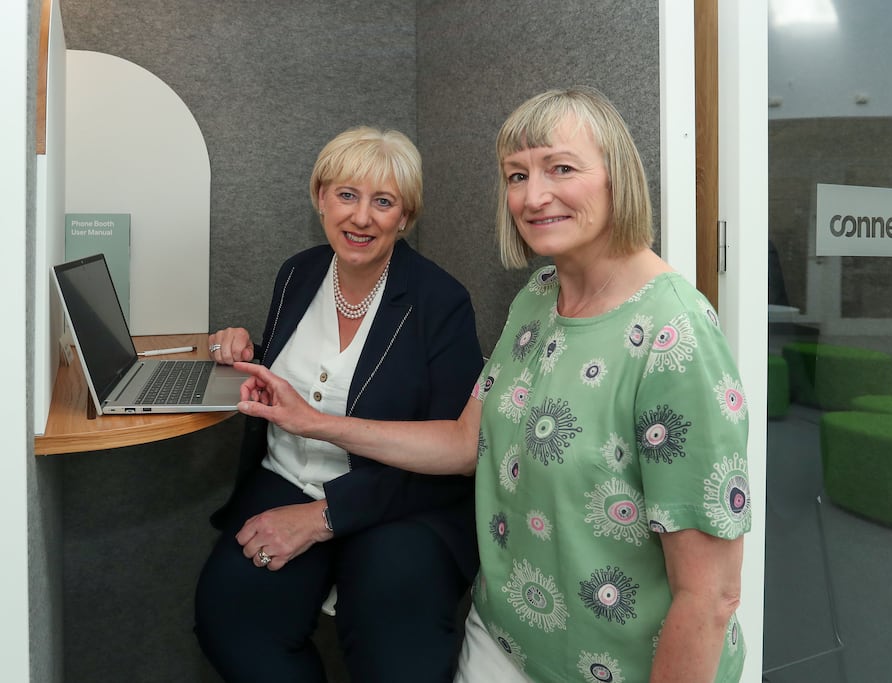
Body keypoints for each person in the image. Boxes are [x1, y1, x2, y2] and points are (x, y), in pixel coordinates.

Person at [233, 88, 751, 682]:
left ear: (618, 179)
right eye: (516, 175)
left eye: (561, 168)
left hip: (619, 666)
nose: (533, 196)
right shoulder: (538, 297)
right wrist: (314, 422)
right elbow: (464, 441)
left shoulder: (675, 335)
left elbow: (709, 599)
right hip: (505, 637)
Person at [193, 126, 483, 682]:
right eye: (347, 195)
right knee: (230, 620)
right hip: (285, 477)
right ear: (321, 198)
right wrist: (242, 350)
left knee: (394, 638)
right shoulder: (297, 274)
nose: (361, 217)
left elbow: (454, 448)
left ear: (406, 217)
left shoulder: (440, 302)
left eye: (384, 202)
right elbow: (302, 373)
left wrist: (327, 517)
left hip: (399, 497)